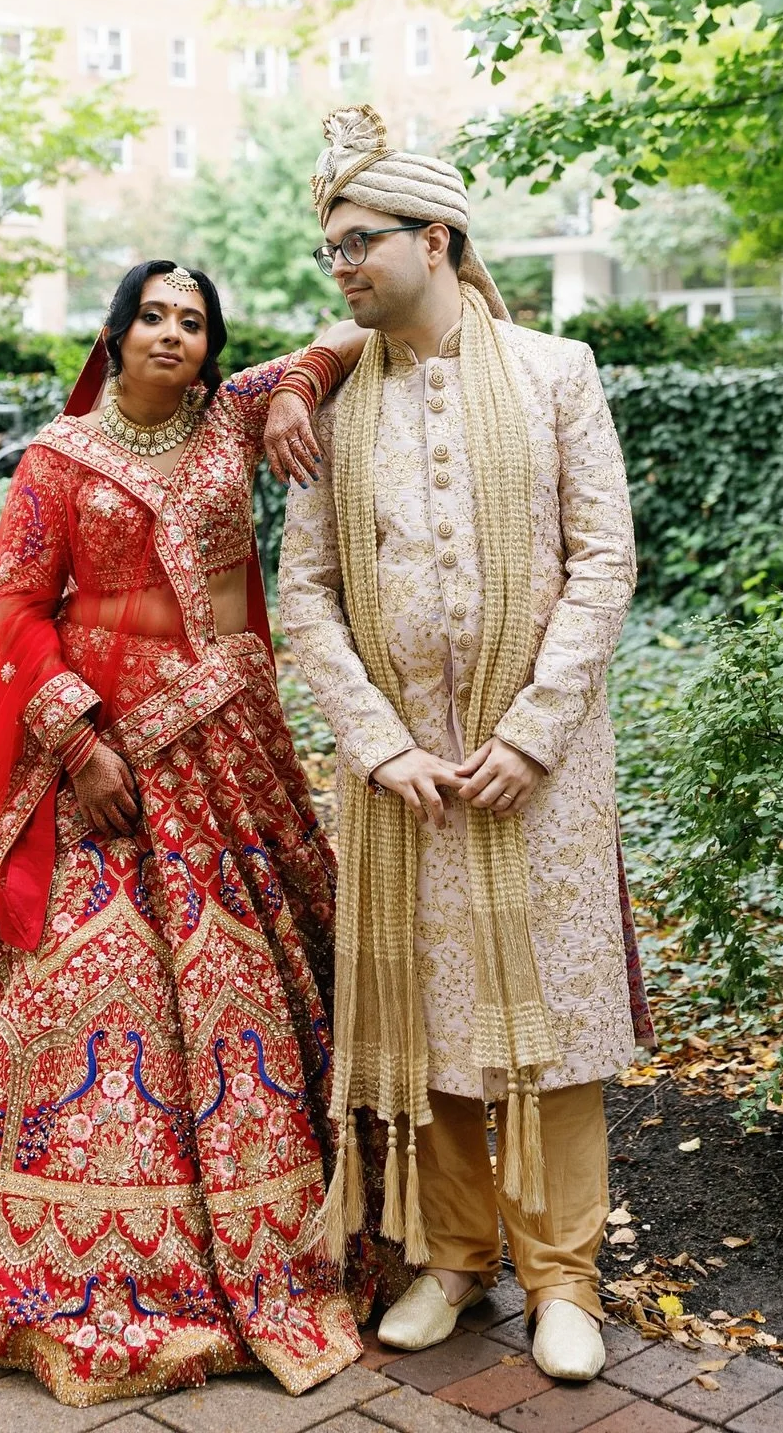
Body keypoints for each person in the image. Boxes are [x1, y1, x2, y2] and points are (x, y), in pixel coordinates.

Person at [0, 261, 375, 1406]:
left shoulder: (235, 414)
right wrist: (78, 742)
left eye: (195, 321)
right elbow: (14, 609)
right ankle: (42, 1261)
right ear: (115, 335)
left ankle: (284, 1237)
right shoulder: (57, 458)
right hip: (108, 762)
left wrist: (296, 388)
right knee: (81, 988)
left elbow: (347, 332)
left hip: (229, 751)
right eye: (155, 317)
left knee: (254, 983)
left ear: (211, 346)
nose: (174, 333)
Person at [280, 106, 654, 1382]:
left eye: (355, 243)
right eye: (329, 248)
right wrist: (379, 745)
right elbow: (308, 594)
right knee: (429, 1014)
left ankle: (565, 1280)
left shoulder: (558, 369)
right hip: (403, 780)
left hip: (537, 771)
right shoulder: (326, 408)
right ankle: (452, 1258)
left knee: (544, 1021)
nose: (338, 268)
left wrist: (537, 733)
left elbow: (605, 562)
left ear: (436, 239)